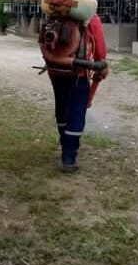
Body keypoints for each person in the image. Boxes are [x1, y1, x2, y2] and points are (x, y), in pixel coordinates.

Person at [46, 11, 108, 173]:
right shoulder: (90, 17)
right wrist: (101, 64)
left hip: (55, 71)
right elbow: (99, 47)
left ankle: (65, 142)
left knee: (61, 107)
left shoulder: (54, 14)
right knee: (76, 112)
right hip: (79, 73)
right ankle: (69, 156)